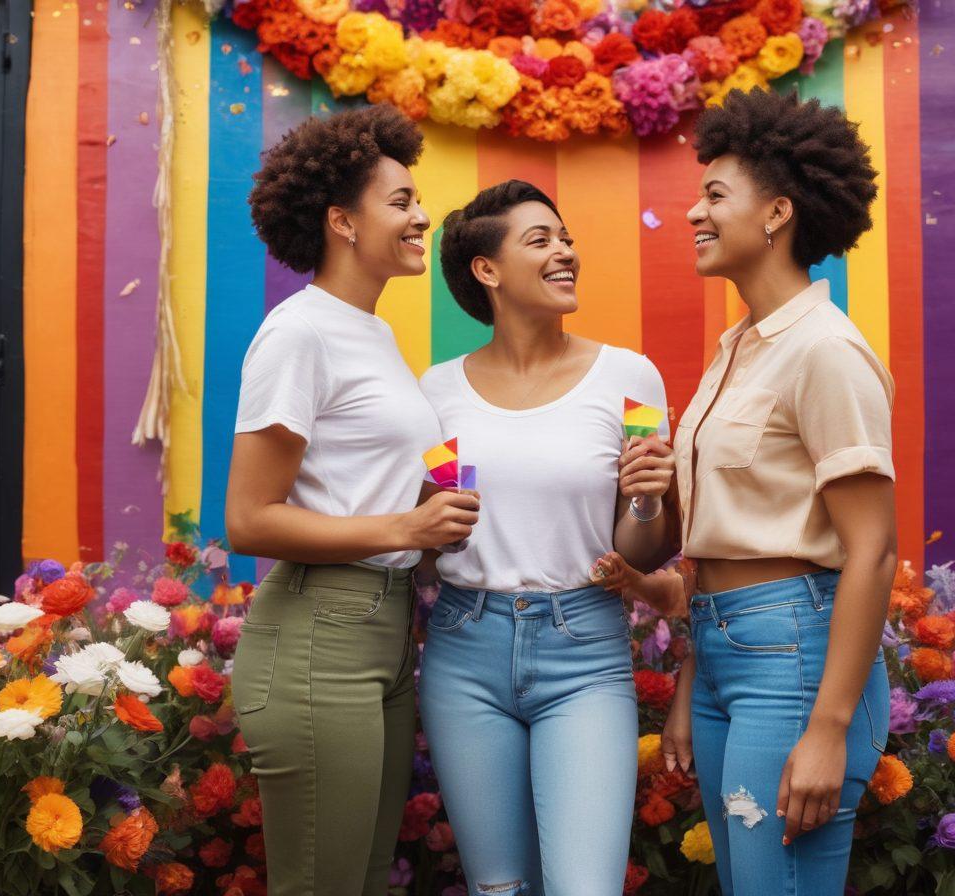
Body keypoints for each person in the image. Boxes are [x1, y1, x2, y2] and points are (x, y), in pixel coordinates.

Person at [623, 88, 896, 896]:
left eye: (714, 195)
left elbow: (873, 551)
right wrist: (693, 683)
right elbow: (714, 544)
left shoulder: (825, 351)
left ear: (777, 213)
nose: (693, 214)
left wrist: (829, 730)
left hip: (795, 657)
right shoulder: (736, 350)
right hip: (724, 650)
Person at [226, 106, 480, 896]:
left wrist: (437, 515)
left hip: (383, 629)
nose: (423, 216)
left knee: (367, 880)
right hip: (317, 637)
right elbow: (248, 518)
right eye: (400, 201)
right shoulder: (299, 332)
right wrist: (405, 524)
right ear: (342, 220)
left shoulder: (371, 335)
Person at [417, 180, 678, 896]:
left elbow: (641, 546)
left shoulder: (628, 379)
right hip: (464, 650)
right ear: (486, 270)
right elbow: (435, 534)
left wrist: (650, 502)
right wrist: (427, 523)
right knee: (497, 889)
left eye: (565, 238)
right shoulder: (437, 394)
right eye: (541, 241)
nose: (566, 252)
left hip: (584, 651)